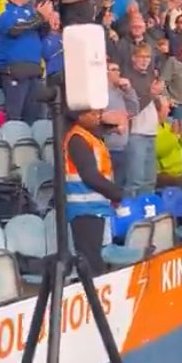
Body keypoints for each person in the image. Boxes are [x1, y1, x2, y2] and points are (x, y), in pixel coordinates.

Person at [63, 108, 124, 276]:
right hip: (84, 209)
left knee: (96, 259)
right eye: (93, 114)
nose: (98, 117)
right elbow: (90, 176)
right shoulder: (77, 139)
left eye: (99, 113)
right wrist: (116, 193)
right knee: (91, 263)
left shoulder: (89, 137)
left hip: (96, 207)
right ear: (80, 116)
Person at [0, 0, 52, 122]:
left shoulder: (29, 10)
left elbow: (42, 32)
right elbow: (13, 29)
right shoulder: (1, 6)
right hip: (14, 70)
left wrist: (45, 20)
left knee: (34, 118)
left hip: (34, 70)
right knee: (15, 117)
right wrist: (39, 18)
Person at [125, 43, 163, 194]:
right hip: (136, 133)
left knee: (149, 180)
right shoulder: (129, 79)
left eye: (147, 57)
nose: (144, 60)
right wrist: (151, 94)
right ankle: (131, 213)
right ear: (133, 58)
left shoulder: (151, 77)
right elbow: (132, 108)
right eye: (141, 57)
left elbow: (155, 104)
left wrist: (159, 98)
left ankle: (148, 213)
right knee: (135, 180)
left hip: (150, 132)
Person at [104, 59, 139, 187]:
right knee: (111, 184)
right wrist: (113, 129)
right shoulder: (102, 94)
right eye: (114, 70)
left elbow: (134, 110)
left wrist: (129, 91)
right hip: (108, 147)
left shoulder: (121, 92)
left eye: (118, 70)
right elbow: (98, 120)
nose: (118, 73)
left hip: (123, 147)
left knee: (122, 184)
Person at [155, 96, 182, 188]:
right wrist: (175, 136)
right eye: (167, 108)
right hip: (164, 174)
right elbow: (159, 150)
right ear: (157, 111)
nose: (169, 111)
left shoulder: (168, 126)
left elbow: (179, 147)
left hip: (179, 171)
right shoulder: (152, 129)